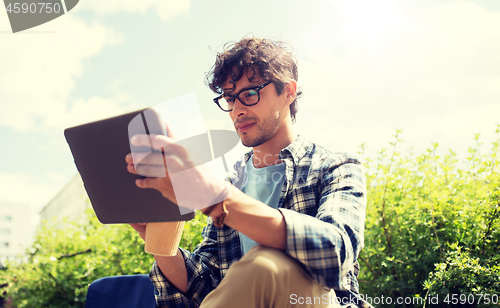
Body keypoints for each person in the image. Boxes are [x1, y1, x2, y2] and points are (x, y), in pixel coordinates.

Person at [125, 37, 371, 308]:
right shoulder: (233, 185)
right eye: (230, 99)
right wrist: (161, 246)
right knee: (253, 269)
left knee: (265, 265)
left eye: (250, 94)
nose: (238, 110)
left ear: (288, 92)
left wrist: (220, 201)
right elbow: (208, 291)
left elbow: (337, 253)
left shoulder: (335, 167)